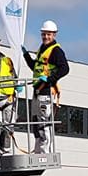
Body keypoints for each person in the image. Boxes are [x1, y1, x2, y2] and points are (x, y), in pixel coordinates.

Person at [23, 20, 70, 153]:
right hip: (37, 90)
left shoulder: (56, 51)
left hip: (46, 91)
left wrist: (50, 79)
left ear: (54, 35)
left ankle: (44, 152)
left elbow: (65, 68)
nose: (46, 37)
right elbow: (35, 67)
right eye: (44, 34)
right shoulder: (42, 49)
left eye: (48, 34)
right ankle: (38, 150)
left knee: (44, 122)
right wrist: (26, 55)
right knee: (36, 122)